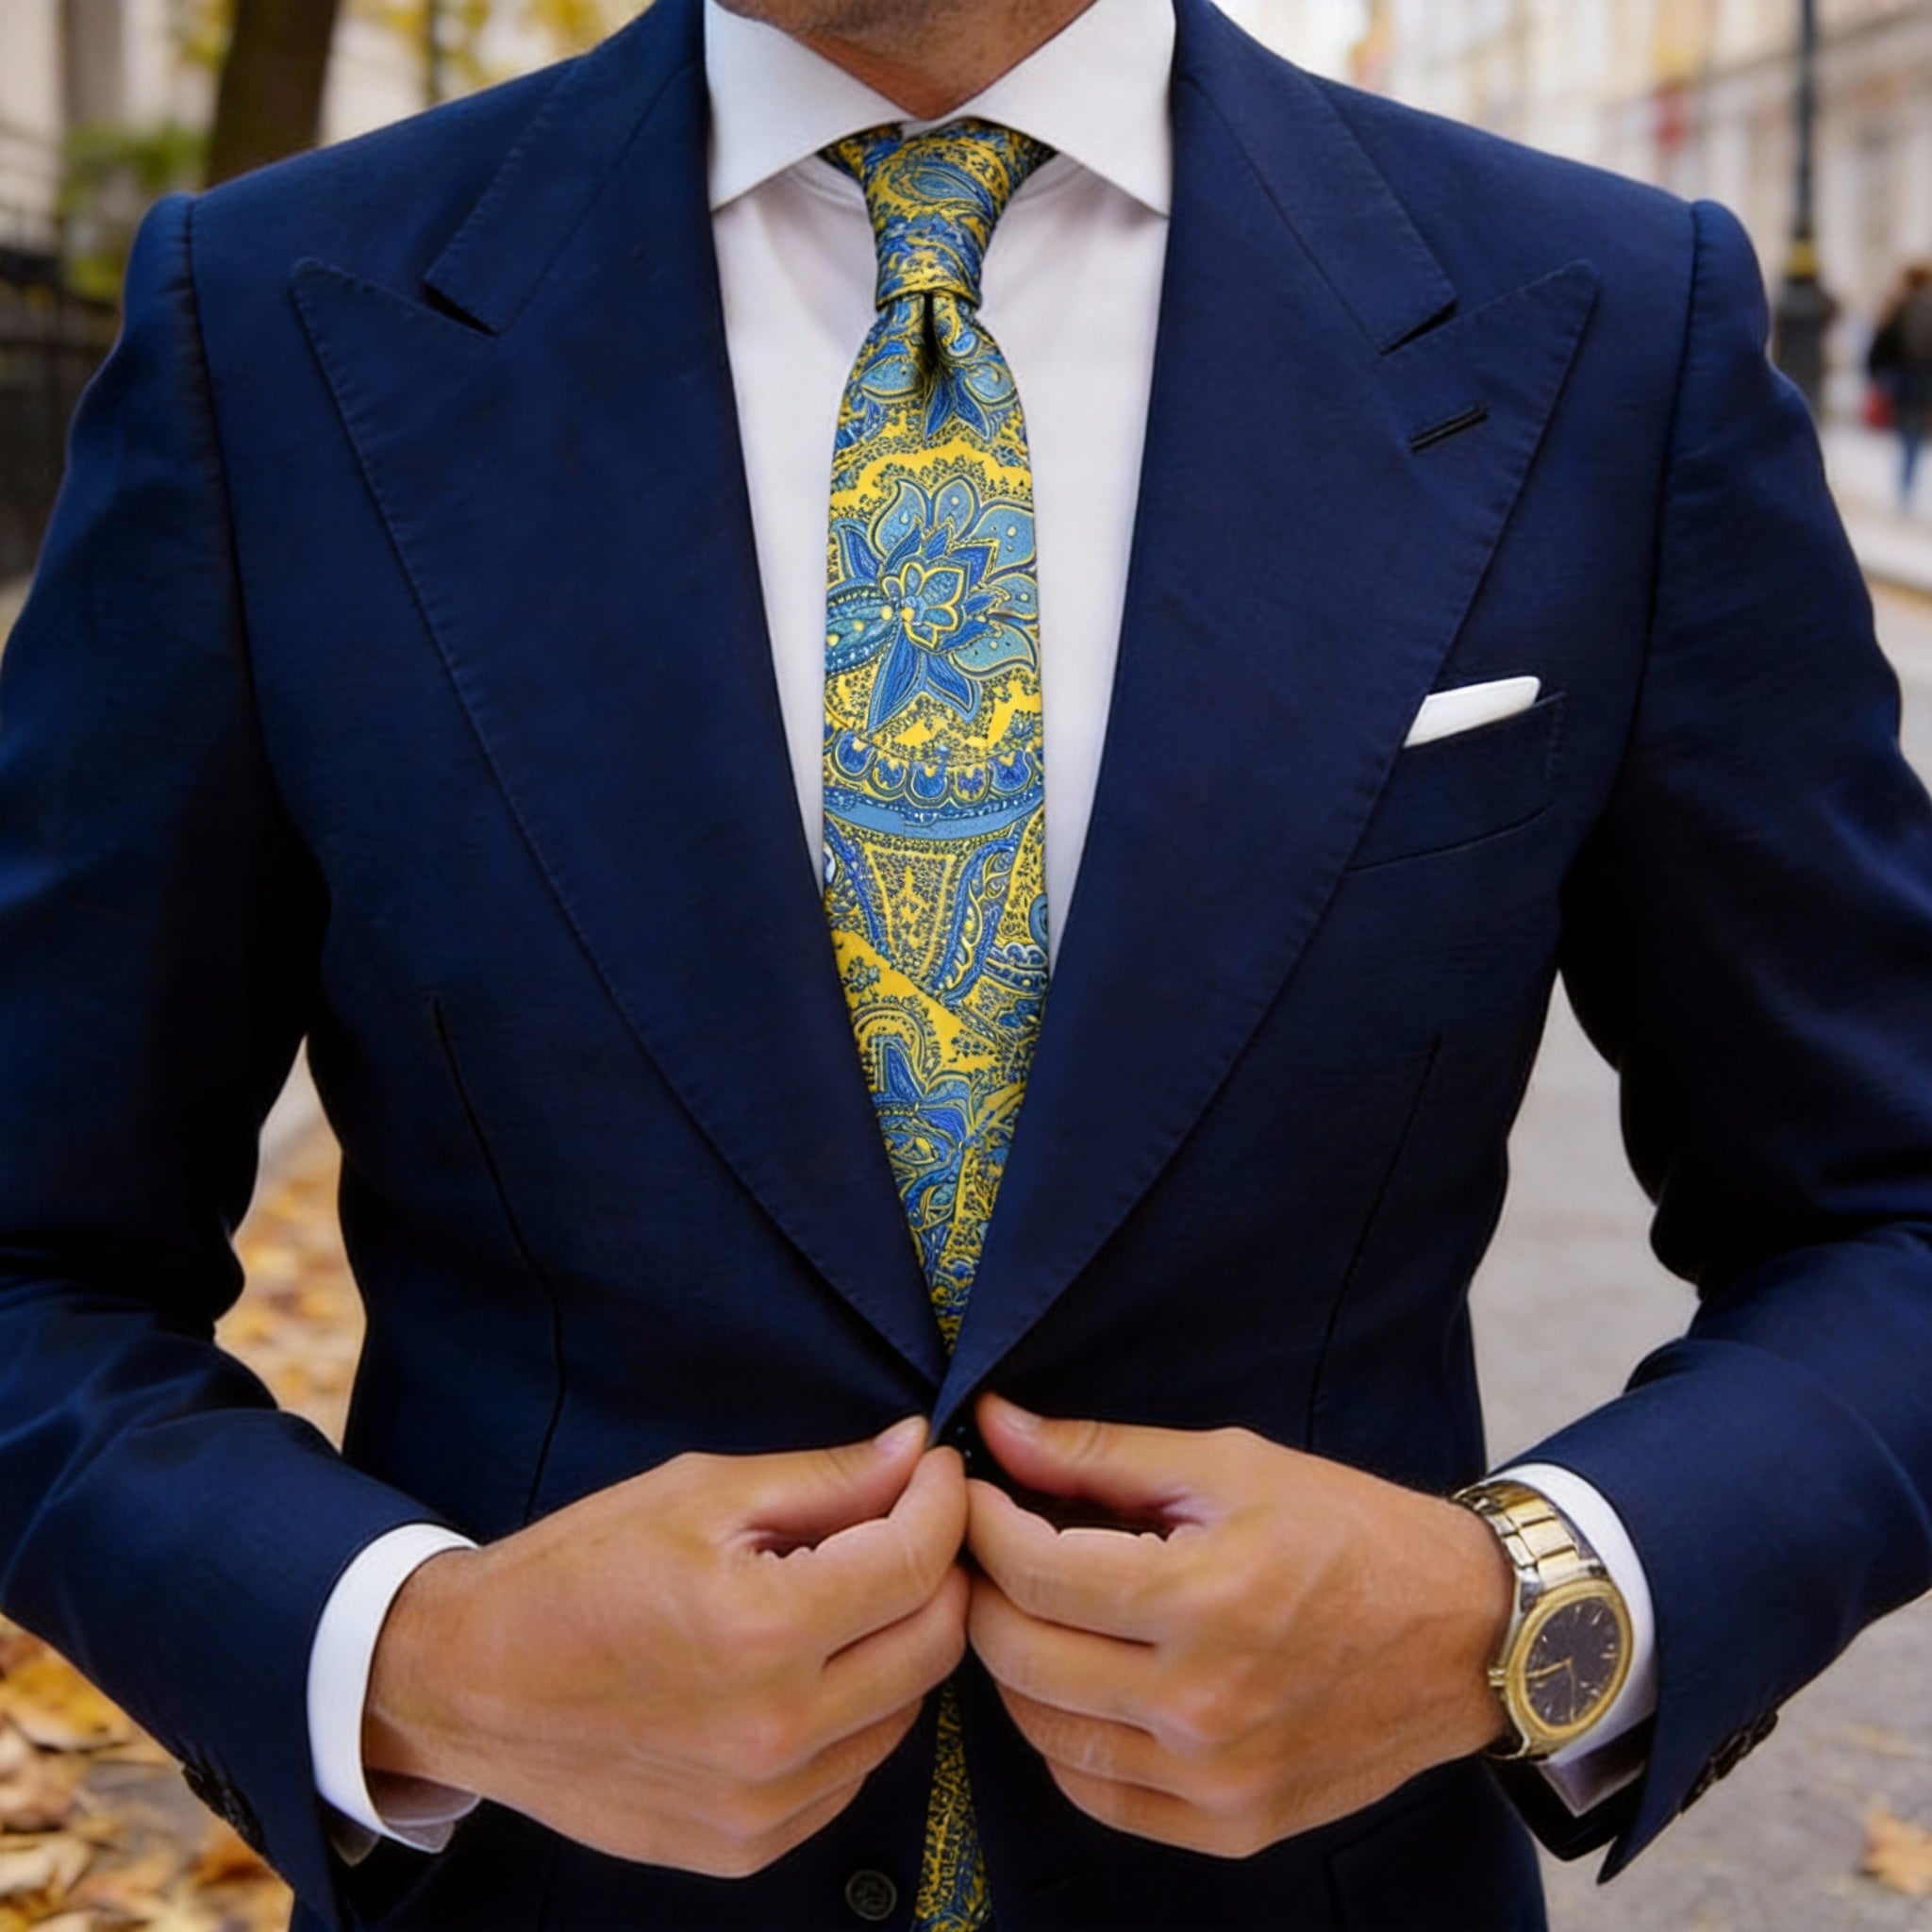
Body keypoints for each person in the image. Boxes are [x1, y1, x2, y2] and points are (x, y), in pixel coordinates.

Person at [2, 1, 1930, 1927]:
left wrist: (1524, 1610)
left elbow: (1888, 1214)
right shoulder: (264, 325)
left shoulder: (1603, 320)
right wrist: (411, 1656)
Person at [1869, 261, 1932, 510]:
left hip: (1903, 378)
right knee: (1915, 430)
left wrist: (1876, 374)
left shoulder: (1898, 307)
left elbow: (1881, 345)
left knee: (1906, 430)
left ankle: (1904, 484)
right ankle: (1909, 480)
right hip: (1926, 380)